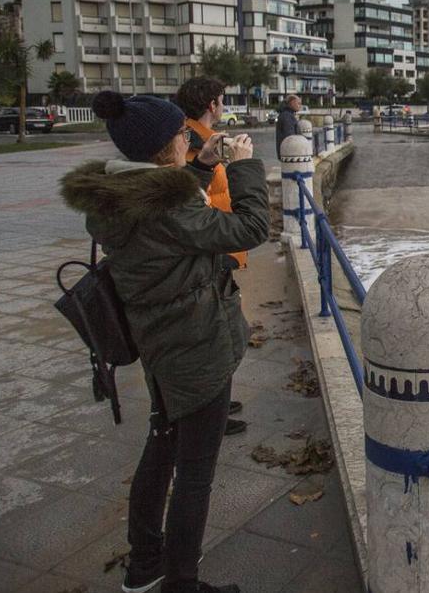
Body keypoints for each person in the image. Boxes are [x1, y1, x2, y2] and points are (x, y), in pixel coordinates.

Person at [60, 91, 268, 593]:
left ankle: (146, 561)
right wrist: (244, 167)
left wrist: (199, 164)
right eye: (182, 134)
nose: (188, 136)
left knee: (162, 447)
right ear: (161, 148)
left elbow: (164, 207)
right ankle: (182, 581)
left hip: (161, 343)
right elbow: (250, 227)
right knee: (195, 473)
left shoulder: (122, 197)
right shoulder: (170, 210)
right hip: (195, 346)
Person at [176, 77, 249, 438]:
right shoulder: (189, 143)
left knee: (226, 331)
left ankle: (218, 401)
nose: (223, 106)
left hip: (218, 242)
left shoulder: (203, 140)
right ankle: (212, 412)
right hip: (213, 245)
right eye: (221, 100)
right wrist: (240, 166)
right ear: (211, 104)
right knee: (221, 335)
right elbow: (194, 196)